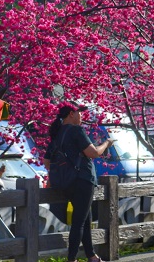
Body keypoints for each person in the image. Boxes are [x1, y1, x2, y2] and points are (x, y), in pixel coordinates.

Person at [44, 102, 115, 262]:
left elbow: (47, 162)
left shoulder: (57, 134)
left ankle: (91, 256)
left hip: (65, 183)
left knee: (85, 217)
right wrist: (107, 144)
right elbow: (93, 153)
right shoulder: (76, 130)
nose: (81, 116)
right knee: (79, 222)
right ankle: (71, 259)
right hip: (82, 181)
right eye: (79, 112)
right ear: (71, 113)